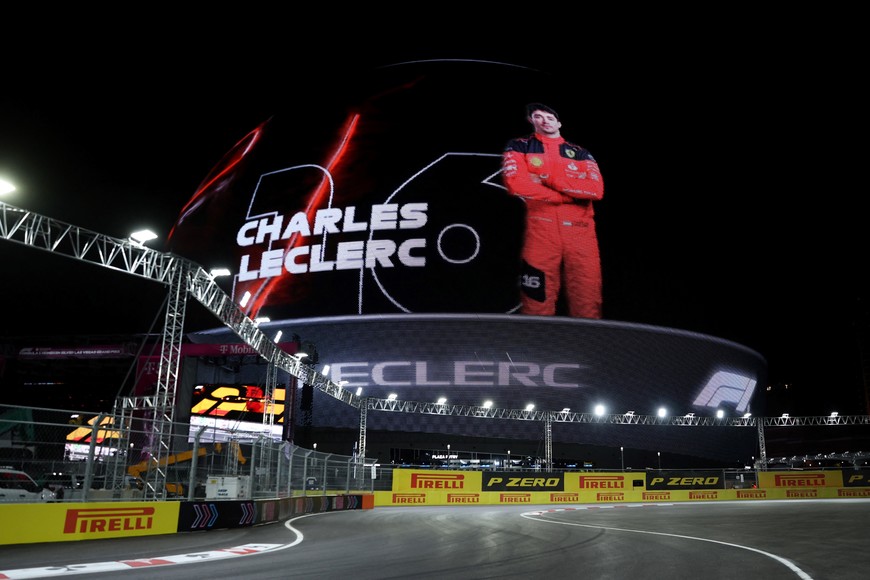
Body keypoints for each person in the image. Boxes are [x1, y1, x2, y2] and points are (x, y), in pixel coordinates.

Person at [501, 102, 604, 318]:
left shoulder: (580, 153)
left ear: (559, 122)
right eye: (538, 116)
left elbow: (595, 190)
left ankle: (586, 347)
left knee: (587, 296)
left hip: (581, 233)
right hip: (541, 231)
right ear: (532, 121)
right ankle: (536, 347)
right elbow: (515, 183)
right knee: (535, 298)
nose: (544, 120)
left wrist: (550, 180)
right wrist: (565, 195)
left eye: (549, 117)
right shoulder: (520, 146)